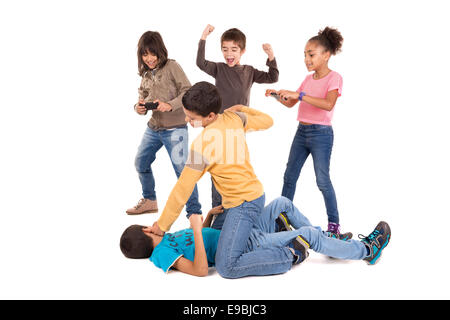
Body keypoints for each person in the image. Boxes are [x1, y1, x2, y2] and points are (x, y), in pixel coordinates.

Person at [119, 197, 391, 276]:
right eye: (151, 226)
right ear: (147, 231)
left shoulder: (169, 239)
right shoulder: (161, 253)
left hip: (238, 231)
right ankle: (367, 250)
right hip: (245, 244)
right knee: (307, 235)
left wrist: (210, 217)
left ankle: (332, 244)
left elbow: (203, 234)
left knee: (281, 203)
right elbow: (201, 269)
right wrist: (198, 229)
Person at [265, 26, 344, 237]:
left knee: (322, 180)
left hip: (321, 135)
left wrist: (299, 96)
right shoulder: (308, 80)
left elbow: (328, 104)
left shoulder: (334, 78)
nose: (307, 59)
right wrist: (276, 95)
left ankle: (334, 226)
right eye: (305, 55)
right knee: (289, 176)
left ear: (326, 55)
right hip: (302, 132)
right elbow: (291, 103)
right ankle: (281, 220)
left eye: (311, 54)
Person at [197, 24, 279, 211]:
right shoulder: (218, 69)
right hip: (217, 127)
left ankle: (236, 207)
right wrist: (203, 37)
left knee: (235, 167)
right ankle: (217, 210)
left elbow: (273, 77)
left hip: (237, 129)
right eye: (225, 50)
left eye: (234, 49)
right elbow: (200, 63)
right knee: (217, 168)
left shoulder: (249, 71)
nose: (229, 54)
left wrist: (271, 56)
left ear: (242, 51)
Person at [126, 31, 202, 218]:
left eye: (153, 53)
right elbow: (142, 95)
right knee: (140, 162)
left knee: (183, 173)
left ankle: (194, 213)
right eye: (145, 54)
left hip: (175, 129)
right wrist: (139, 106)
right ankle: (150, 200)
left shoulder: (172, 66)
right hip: (154, 128)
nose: (149, 58)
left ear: (160, 51)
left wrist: (170, 105)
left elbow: (188, 90)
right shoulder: (145, 73)